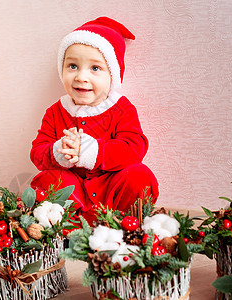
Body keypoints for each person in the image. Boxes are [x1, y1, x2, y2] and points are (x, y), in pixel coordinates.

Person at [30, 16, 159, 223]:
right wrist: (58, 151)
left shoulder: (121, 108)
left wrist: (94, 152)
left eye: (95, 68)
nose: (81, 77)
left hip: (112, 191)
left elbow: (135, 147)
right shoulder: (55, 112)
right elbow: (37, 153)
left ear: (112, 75)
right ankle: (68, 226)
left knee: (139, 175)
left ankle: (125, 224)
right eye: (72, 66)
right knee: (48, 180)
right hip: (75, 194)